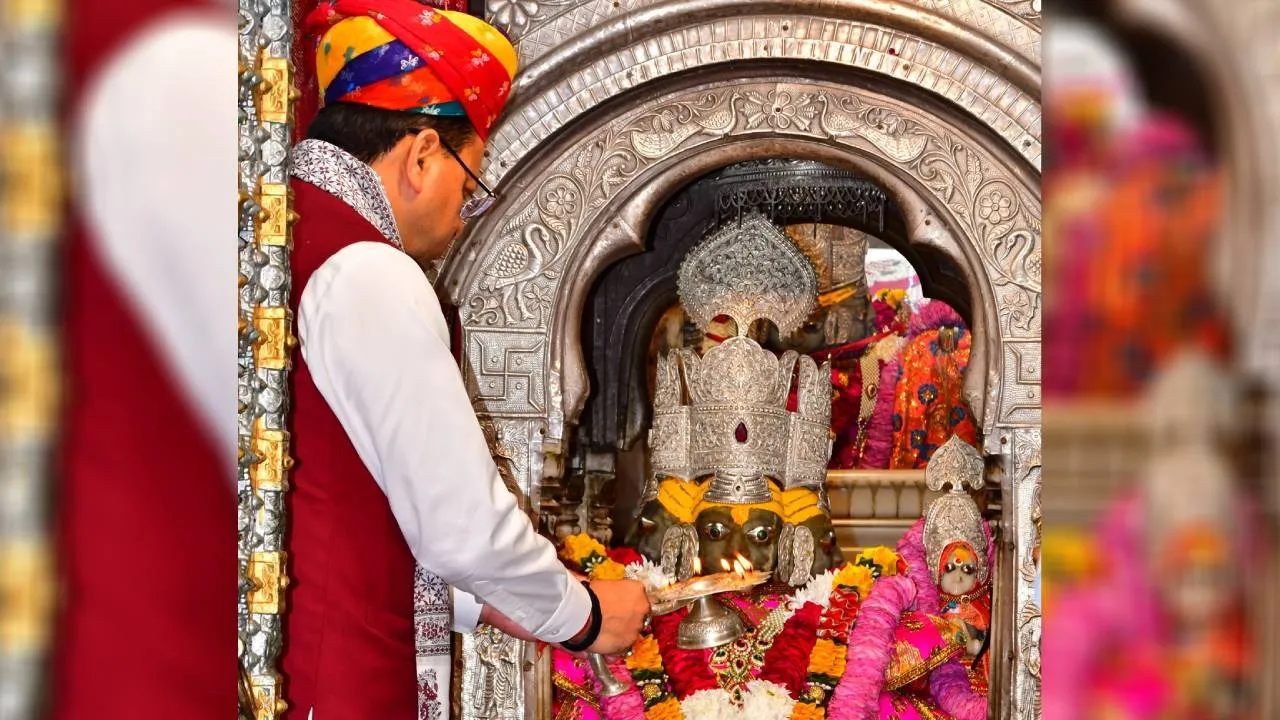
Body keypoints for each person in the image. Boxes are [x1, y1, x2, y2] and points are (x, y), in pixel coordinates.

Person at [283, 2, 650, 718]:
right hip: (335, 677)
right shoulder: (365, 270)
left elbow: (342, 502)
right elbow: (459, 527)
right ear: (421, 156)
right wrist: (583, 616)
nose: (460, 214)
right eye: (470, 184)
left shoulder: (284, 234)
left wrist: (490, 606)